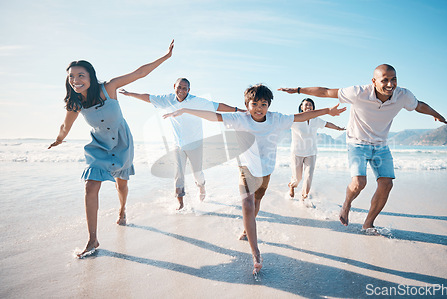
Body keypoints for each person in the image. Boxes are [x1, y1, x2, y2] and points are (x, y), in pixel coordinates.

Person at [163, 84, 346, 274]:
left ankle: (246, 229)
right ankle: (256, 252)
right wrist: (185, 109)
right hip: (246, 168)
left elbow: (301, 117)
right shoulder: (239, 119)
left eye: (263, 104)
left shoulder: (276, 119)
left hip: (266, 170)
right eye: (254, 104)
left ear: (269, 105)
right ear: (247, 104)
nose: (259, 108)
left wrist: (327, 111)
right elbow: (213, 115)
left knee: (257, 202)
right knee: (248, 205)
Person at [279, 64, 447, 233]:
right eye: (385, 80)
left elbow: (418, 105)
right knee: (359, 183)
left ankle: (368, 223)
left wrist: (436, 114)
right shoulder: (359, 93)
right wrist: (298, 90)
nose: (390, 84)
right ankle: (346, 204)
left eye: (394, 79)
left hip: (381, 145)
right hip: (357, 143)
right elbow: (326, 92)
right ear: (374, 81)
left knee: (386, 184)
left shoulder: (403, 95)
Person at [48, 40, 175, 258]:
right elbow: (64, 126)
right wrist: (59, 140)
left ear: (90, 76)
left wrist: (165, 57)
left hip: (122, 143)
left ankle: (123, 209)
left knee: (122, 184)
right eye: (71, 77)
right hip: (99, 146)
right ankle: (92, 239)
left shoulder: (109, 88)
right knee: (90, 187)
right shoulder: (76, 102)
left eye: (81, 75)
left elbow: (140, 72)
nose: (75, 80)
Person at [120, 77, 244, 211]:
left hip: (195, 144)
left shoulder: (197, 101)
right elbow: (148, 97)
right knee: (178, 174)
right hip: (178, 145)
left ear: (189, 90)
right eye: (179, 87)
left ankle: (201, 186)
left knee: (197, 173)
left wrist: (238, 110)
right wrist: (130, 94)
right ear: (174, 86)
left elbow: (218, 106)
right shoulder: (167, 99)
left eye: (184, 88)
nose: (181, 90)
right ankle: (180, 202)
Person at [288, 98, 345, 200]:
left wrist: (338, 128)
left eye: (310, 105)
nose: (308, 106)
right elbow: (282, 123)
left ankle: (304, 198)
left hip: (311, 152)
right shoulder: (295, 119)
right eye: (306, 105)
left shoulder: (316, 120)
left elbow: (327, 124)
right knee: (298, 178)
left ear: (313, 107)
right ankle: (292, 185)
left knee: (309, 177)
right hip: (297, 153)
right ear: (301, 107)